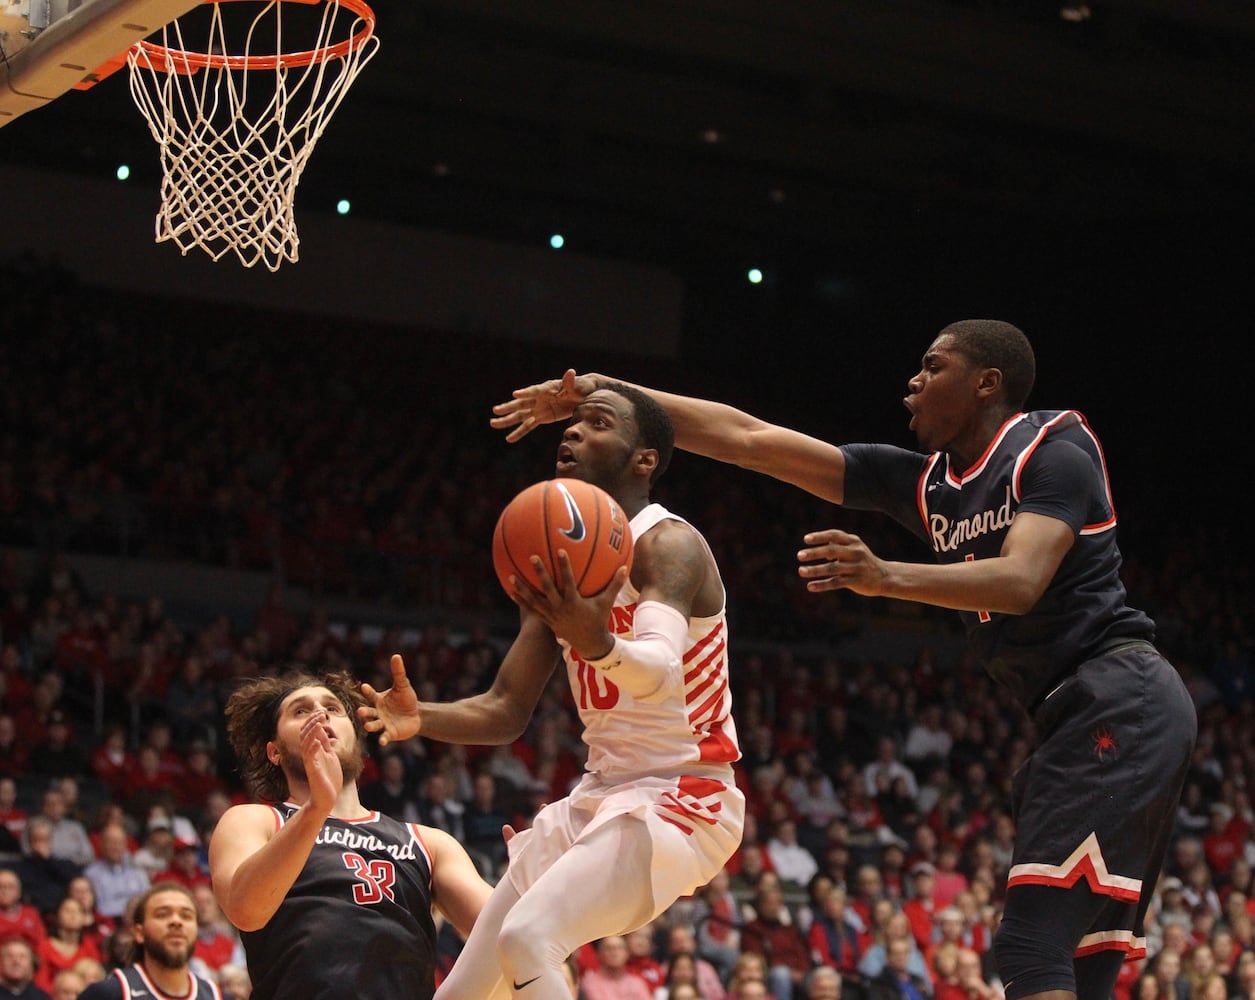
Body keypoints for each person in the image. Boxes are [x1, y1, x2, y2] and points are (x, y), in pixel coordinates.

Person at [494, 320, 1198, 1000]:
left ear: (987, 382)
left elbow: (1019, 581)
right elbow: (748, 439)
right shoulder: (924, 484)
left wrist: (884, 576)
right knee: (1085, 959)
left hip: (1115, 694)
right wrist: (598, 388)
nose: (911, 383)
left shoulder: (1053, 449)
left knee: (1028, 945)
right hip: (1080, 713)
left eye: (932, 367)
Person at [361, 382, 745, 998]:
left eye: (597, 423)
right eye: (573, 423)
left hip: (685, 796)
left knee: (528, 938)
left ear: (644, 459)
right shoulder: (557, 556)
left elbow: (659, 669)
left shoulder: (668, 544)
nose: (571, 431)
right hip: (599, 792)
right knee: (460, 993)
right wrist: (419, 717)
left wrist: (597, 644)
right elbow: (506, 709)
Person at [208, 670, 506, 1000]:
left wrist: (523, 881)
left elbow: (506, 935)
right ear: (274, 751)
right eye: (300, 710)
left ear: (355, 737)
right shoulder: (255, 820)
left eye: (333, 709)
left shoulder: (427, 842)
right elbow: (246, 912)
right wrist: (316, 808)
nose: (320, 714)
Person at [77, 882, 230, 1000]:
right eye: (162, 914)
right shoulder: (109, 993)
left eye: (186, 916)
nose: (176, 921)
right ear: (139, 932)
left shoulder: (218, 997)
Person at [0, 936, 49, 1000]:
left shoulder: (42, 997)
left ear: (31, 965)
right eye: (10, 956)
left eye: (22, 957)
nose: (16, 961)